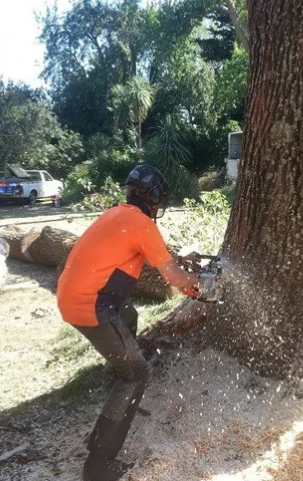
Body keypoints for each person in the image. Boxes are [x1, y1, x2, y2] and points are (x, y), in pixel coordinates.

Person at [57, 164, 204, 481]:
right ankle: (98, 464)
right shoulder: (142, 224)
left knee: (130, 316)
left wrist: (181, 273)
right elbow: (173, 277)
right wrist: (196, 280)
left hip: (75, 295)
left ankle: (103, 423)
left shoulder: (116, 214)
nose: (158, 204)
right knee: (136, 374)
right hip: (91, 305)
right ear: (151, 195)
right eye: (157, 197)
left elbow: (158, 265)